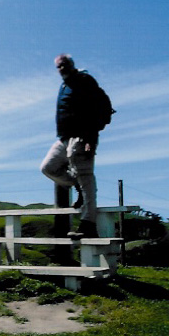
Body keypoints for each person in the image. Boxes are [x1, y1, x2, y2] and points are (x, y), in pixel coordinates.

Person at [40, 54, 105, 239]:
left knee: (86, 177)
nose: (62, 68)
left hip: (82, 138)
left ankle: (88, 226)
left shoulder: (84, 80)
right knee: (48, 167)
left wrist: (90, 139)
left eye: (65, 64)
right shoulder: (65, 85)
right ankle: (78, 187)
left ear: (72, 64)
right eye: (59, 66)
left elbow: (96, 110)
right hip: (64, 138)